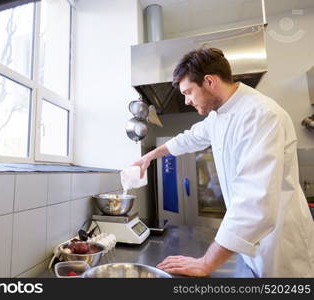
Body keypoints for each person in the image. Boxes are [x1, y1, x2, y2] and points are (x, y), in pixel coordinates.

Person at [133, 48, 314, 277]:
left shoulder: (261, 115)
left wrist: (206, 263)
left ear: (209, 81)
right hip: (252, 245)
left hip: (279, 246)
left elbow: (253, 202)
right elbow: (190, 138)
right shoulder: (219, 115)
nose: (187, 101)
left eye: (188, 92)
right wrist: (149, 156)